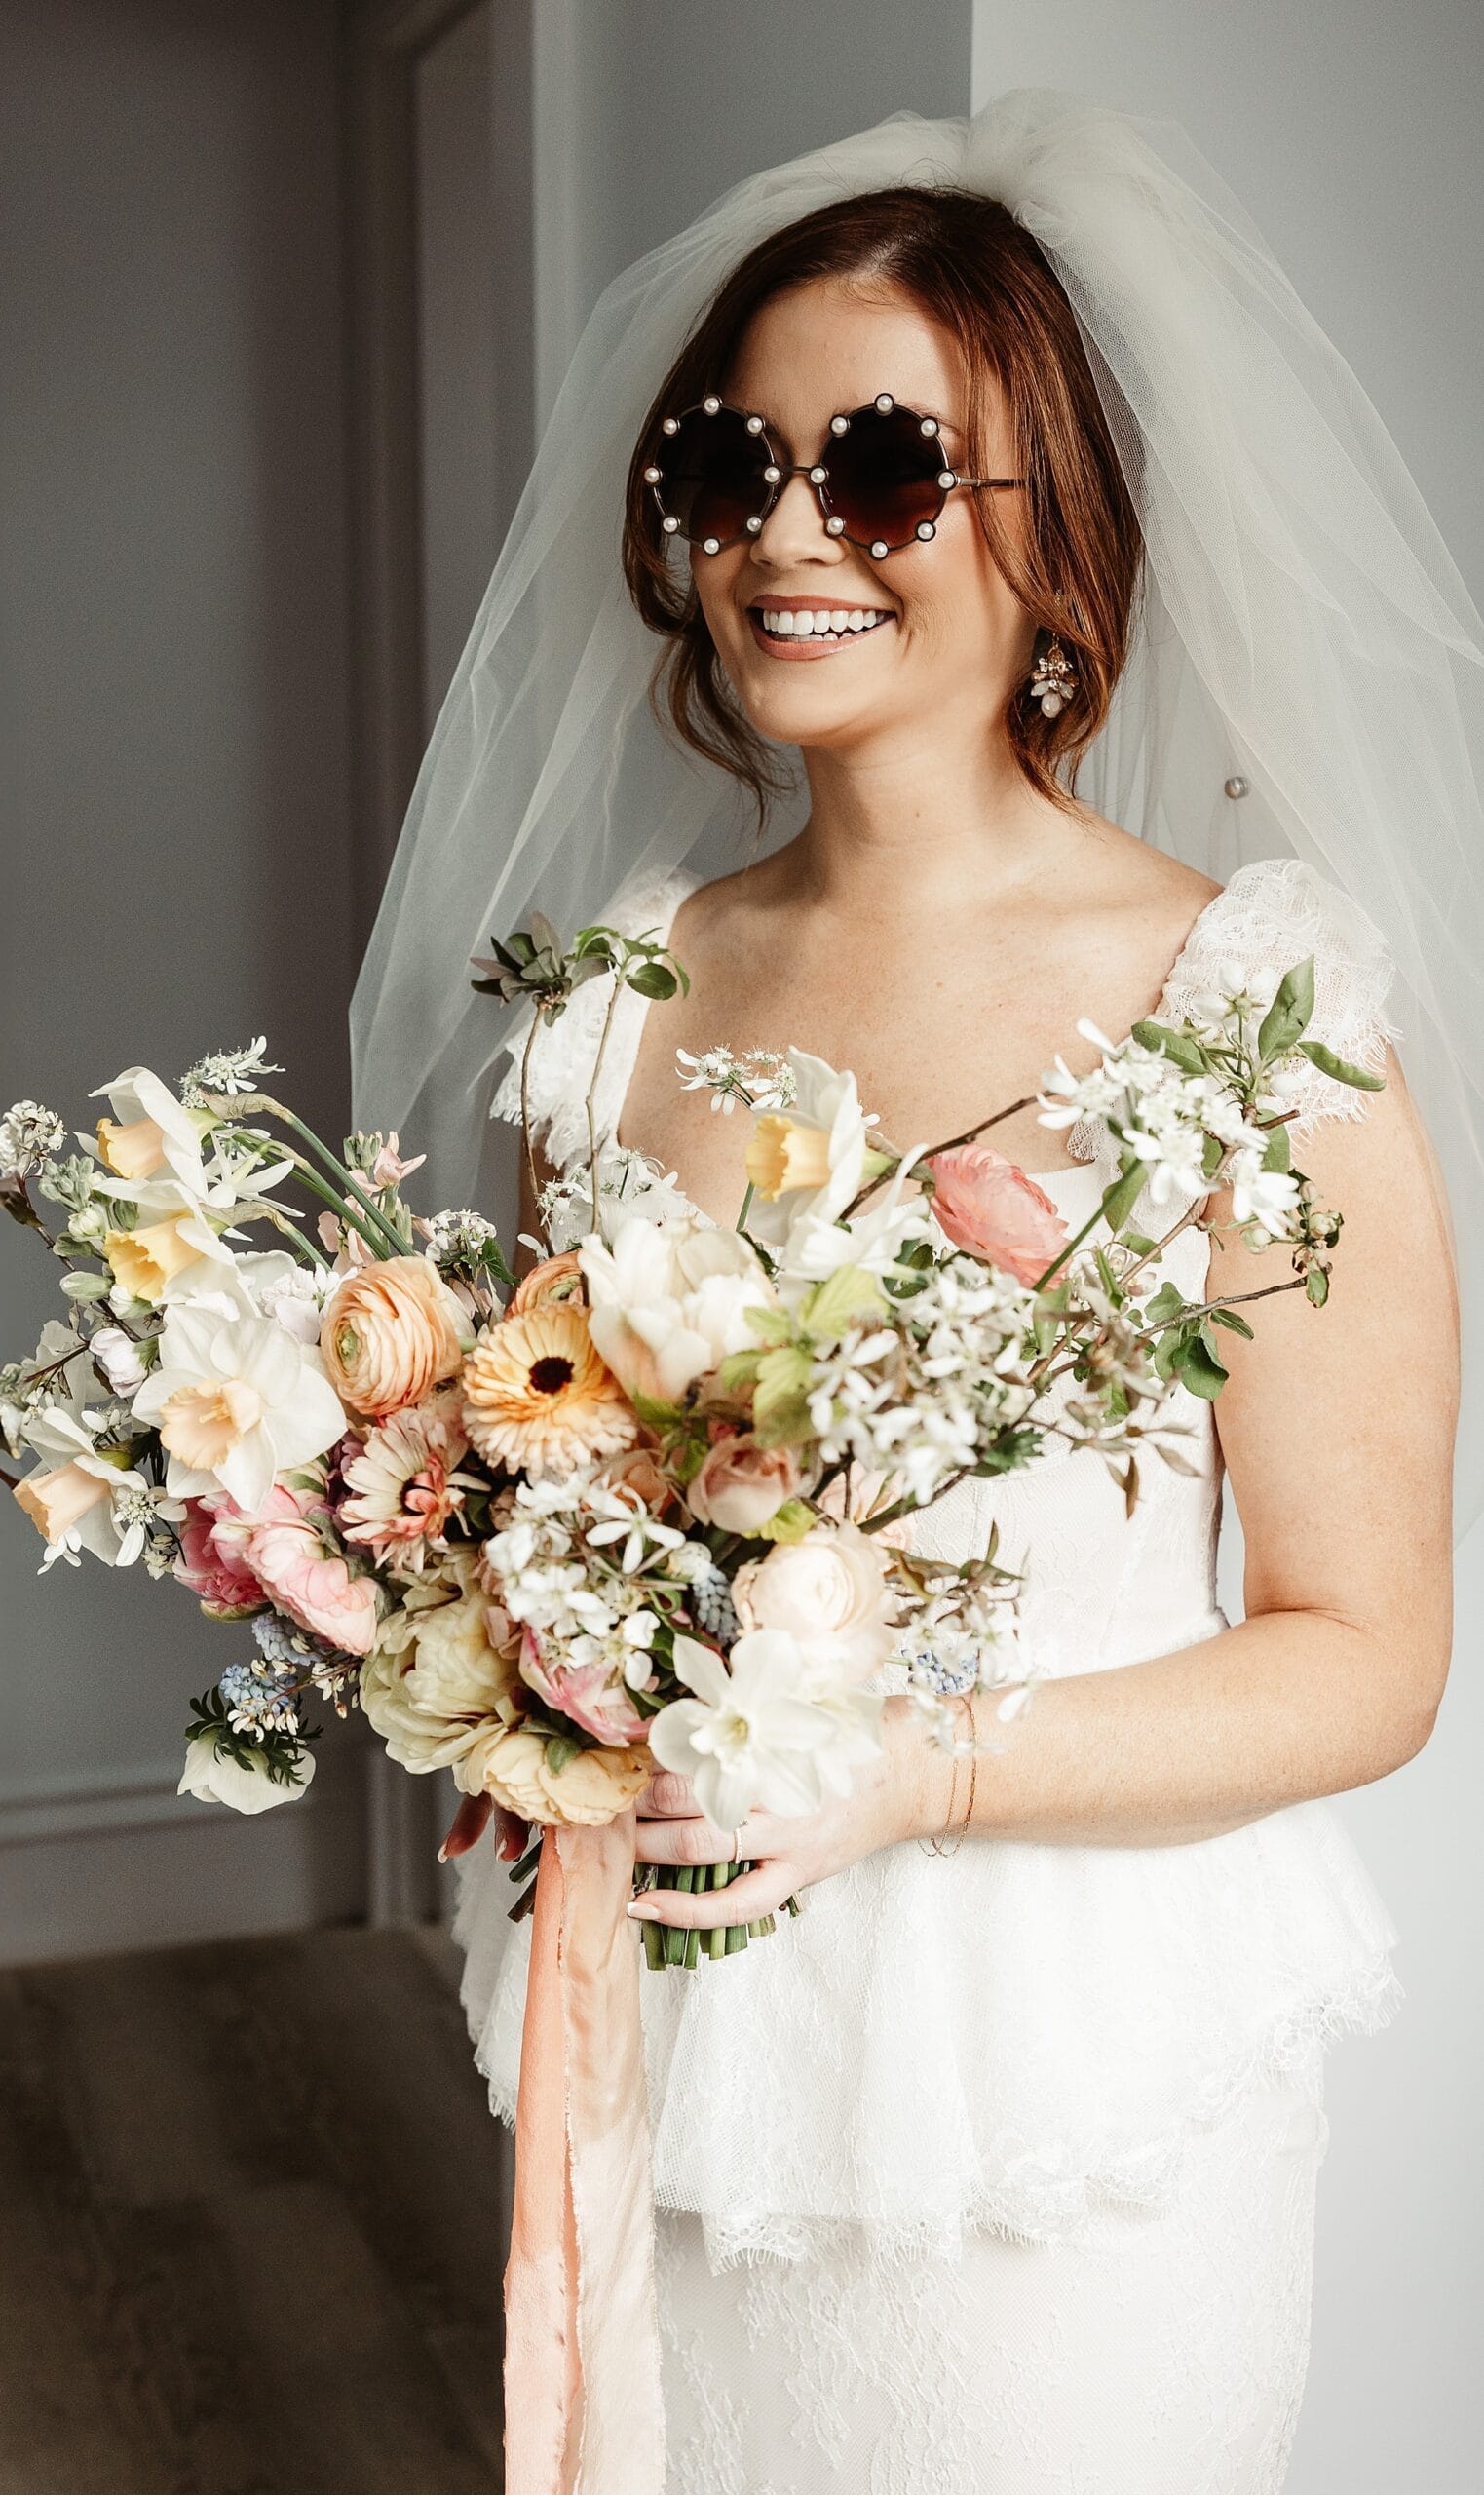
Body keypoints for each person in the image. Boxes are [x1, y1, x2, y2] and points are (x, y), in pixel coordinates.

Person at [354, 92, 1480, 2495]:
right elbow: (561, 1463)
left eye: (876, 468)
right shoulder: (622, 990)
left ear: (1049, 541)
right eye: (727, 463)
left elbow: (1363, 1647)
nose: (781, 533)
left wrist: (929, 1767)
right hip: (683, 2003)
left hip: (1059, 2070)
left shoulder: (1238, 998)